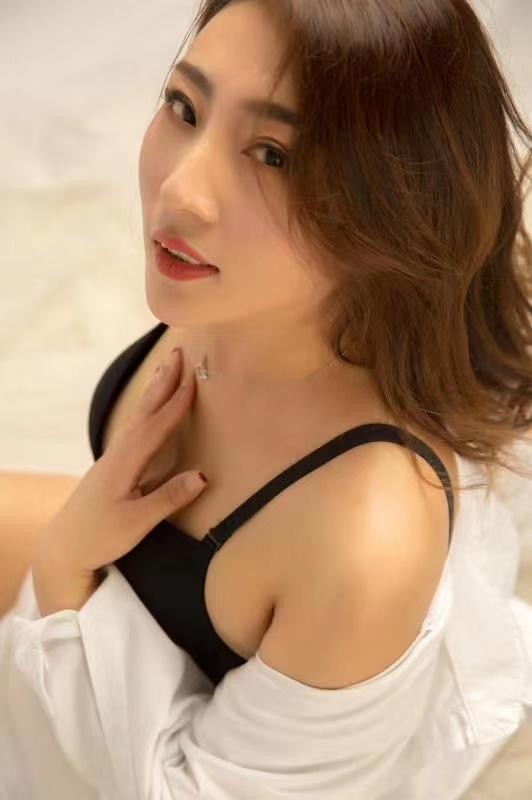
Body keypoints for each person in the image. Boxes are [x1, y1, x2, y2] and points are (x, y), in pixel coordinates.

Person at [1, 1, 532, 798]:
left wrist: (67, 566)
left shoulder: (367, 535)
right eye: (185, 106)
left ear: (391, 199)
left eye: (273, 154)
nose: (180, 190)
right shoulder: (229, 285)